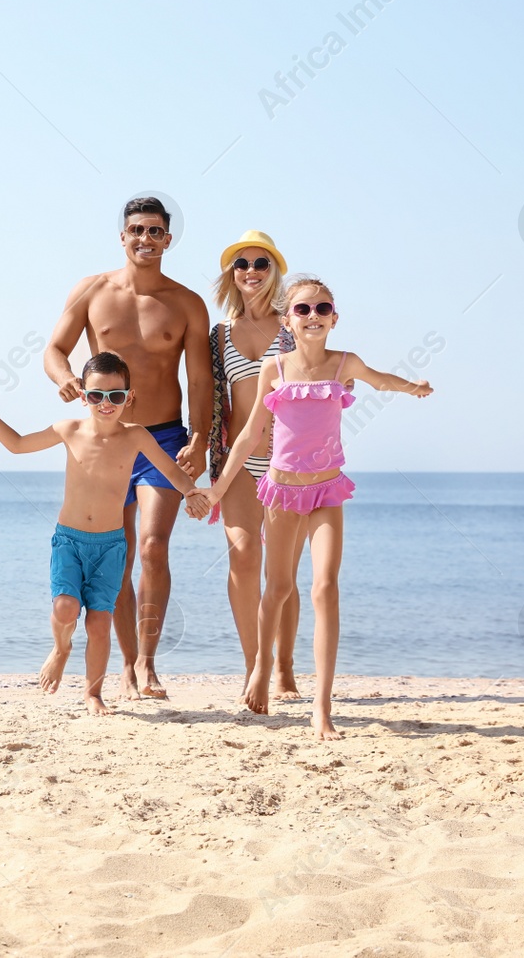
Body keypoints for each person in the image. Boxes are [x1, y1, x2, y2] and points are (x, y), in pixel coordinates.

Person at [202, 275, 432, 739]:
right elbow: (248, 436)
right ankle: (262, 669)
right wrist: (220, 487)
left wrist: (412, 386)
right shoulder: (277, 369)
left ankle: (321, 707)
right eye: (303, 310)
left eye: (321, 308)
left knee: (325, 588)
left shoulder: (345, 363)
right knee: (278, 589)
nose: (313, 316)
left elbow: (381, 380)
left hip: (326, 492)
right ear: (288, 319)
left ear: (334, 318)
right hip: (282, 493)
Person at [0, 352, 209, 715]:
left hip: (110, 547)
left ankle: (93, 693)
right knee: (65, 609)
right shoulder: (69, 430)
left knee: (98, 622)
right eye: (96, 395)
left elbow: (170, 471)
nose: (106, 404)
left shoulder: (136, 436)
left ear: (130, 396)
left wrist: (191, 492)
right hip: (70, 541)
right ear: (83, 396)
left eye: (115, 396)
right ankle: (61, 649)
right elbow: (16, 444)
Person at [44, 197, 212, 701]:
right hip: (107, 438)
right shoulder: (92, 290)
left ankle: (146, 661)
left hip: (162, 437)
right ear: (123, 236)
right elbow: (54, 349)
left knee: (152, 547)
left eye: (155, 231)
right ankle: (122, 664)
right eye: (136, 229)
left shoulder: (186, 304)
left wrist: (200, 439)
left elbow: (200, 379)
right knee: (113, 557)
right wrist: (66, 378)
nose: (145, 238)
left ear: (168, 239)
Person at [208, 231, 307, 701]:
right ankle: (255, 666)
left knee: (281, 573)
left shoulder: (296, 326)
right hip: (237, 459)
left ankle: (285, 667)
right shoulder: (219, 334)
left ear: (274, 271)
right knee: (244, 559)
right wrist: (203, 449)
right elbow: (212, 399)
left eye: (261, 263)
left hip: (288, 461)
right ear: (232, 273)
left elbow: (318, 385)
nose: (250, 271)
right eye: (241, 263)